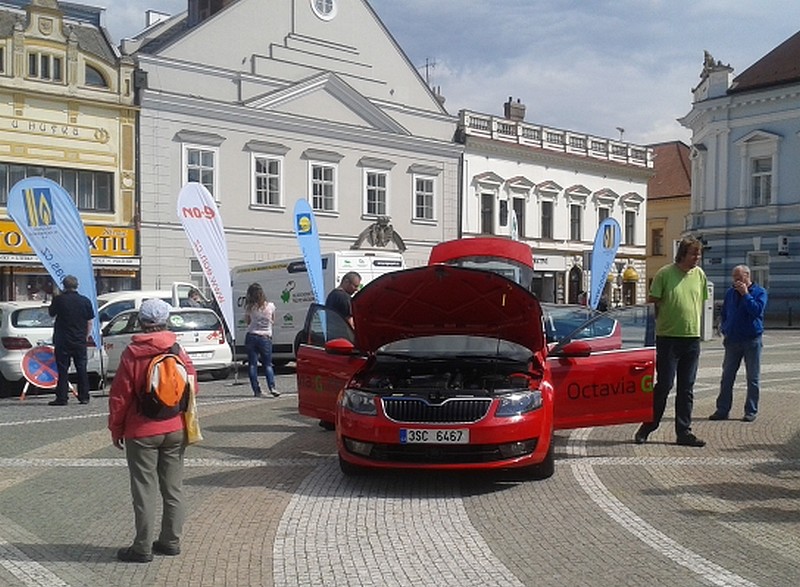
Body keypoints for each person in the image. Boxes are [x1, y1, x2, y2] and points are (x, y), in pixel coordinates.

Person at [108, 298, 197, 563]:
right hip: (175, 427)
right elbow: (192, 384)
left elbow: (120, 396)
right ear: (165, 320)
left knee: (144, 490)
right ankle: (170, 541)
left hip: (142, 431)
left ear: (141, 321)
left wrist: (116, 428)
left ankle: (142, 548)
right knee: (173, 489)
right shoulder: (177, 349)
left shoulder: (132, 353)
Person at [635, 236, 708, 447]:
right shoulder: (665, 273)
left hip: (691, 339)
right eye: (694, 253)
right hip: (668, 339)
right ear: (683, 254)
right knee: (665, 384)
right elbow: (652, 304)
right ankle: (648, 426)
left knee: (687, 388)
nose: (697, 257)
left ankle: (683, 432)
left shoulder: (700, 275)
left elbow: (699, 302)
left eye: (699, 254)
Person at [709, 265, 768, 422]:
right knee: (727, 376)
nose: (735, 280)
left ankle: (751, 411)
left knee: (752, 378)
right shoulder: (730, 293)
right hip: (733, 340)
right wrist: (725, 328)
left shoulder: (760, 292)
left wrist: (746, 295)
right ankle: (722, 410)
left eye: (739, 277)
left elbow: (757, 311)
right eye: (734, 277)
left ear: (747, 276)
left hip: (752, 340)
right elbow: (725, 312)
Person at [47, 275, 94, 406]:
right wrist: (86, 336)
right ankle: (84, 397)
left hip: (63, 339)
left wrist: (54, 298)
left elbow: (51, 313)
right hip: (79, 339)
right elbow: (89, 321)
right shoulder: (85, 301)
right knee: (82, 368)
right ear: (77, 285)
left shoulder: (59, 300)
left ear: (64, 286)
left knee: (62, 369)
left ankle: (62, 398)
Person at [244, 283, 279, 398]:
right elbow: (273, 321)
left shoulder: (250, 307)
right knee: (268, 364)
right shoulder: (271, 306)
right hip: (265, 337)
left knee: (252, 365)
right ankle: (272, 387)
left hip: (251, 336)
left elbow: (247, 322)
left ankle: (257, 390)